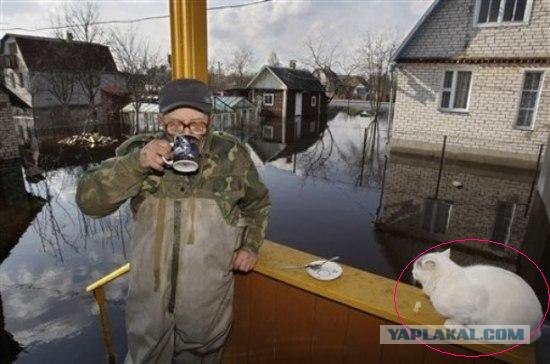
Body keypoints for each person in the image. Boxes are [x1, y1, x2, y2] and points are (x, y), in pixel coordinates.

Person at [76, 79, 271, 363]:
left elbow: (258, 203)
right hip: (148, 305)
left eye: (197, 125)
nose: (187, 134)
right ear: (161, 120)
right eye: (175, 125)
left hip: (207, 304)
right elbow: (88, 202)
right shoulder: (141, 152)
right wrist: (136, 164)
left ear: (211, 122)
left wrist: (250, 246)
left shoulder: (233, 154)